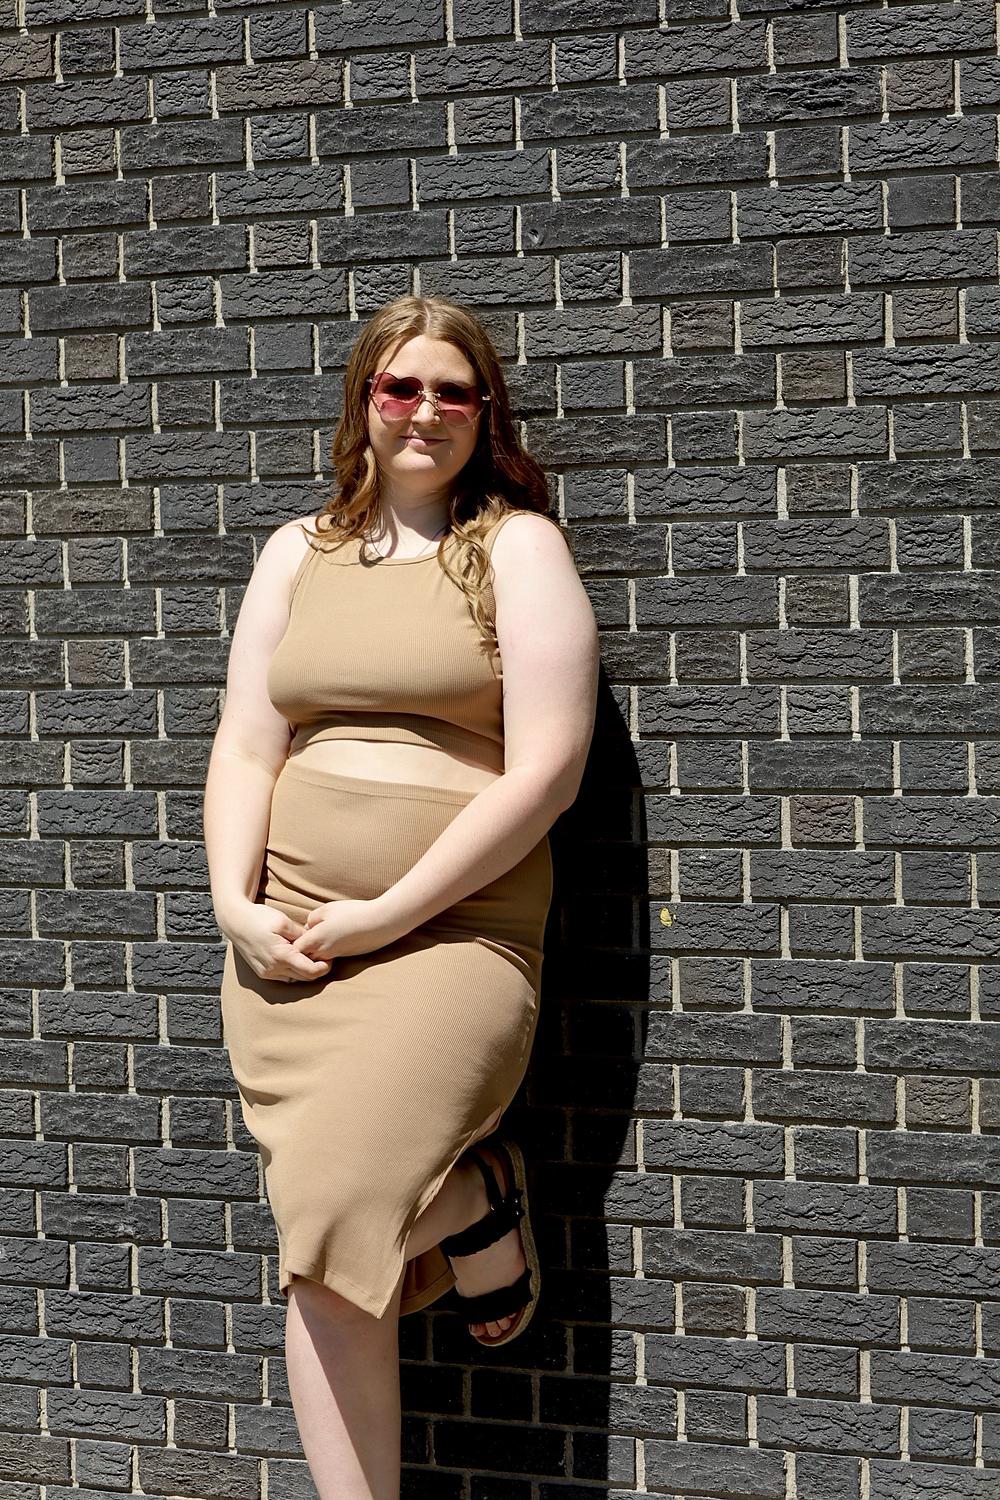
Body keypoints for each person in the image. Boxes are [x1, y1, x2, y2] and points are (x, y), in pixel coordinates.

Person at [203, 293, 599, 1499]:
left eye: (452, 392)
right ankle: (474, 1205)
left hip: (452, 937)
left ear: (485, 414)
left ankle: (474, 1195)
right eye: (401, 387)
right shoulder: (297, 552)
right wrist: (233, 903)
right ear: (363, 403)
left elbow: (547, 771)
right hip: (292, 948)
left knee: (329, 1225)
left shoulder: (516, 548)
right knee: (324, 1247)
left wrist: (389, 912)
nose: (426, 411)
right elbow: (246, 745)